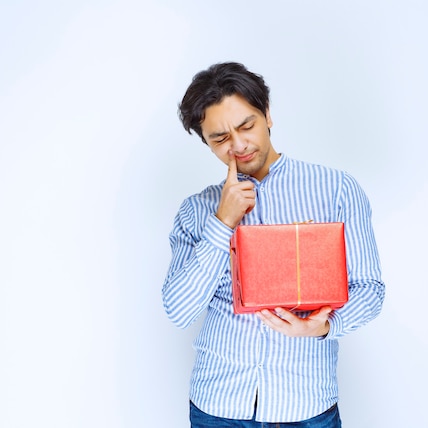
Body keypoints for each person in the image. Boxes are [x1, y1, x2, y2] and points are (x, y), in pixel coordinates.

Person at [162, 62, 385, 427]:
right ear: (206, 142)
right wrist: (223, 222)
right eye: (219, 138)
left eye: (246, 125)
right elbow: (178, 311)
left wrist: (325, 327)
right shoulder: (197, 210)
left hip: (306, 406)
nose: (238, 145)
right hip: (218, 408)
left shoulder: (336, 189)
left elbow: (370, 289)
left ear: (267, 114)